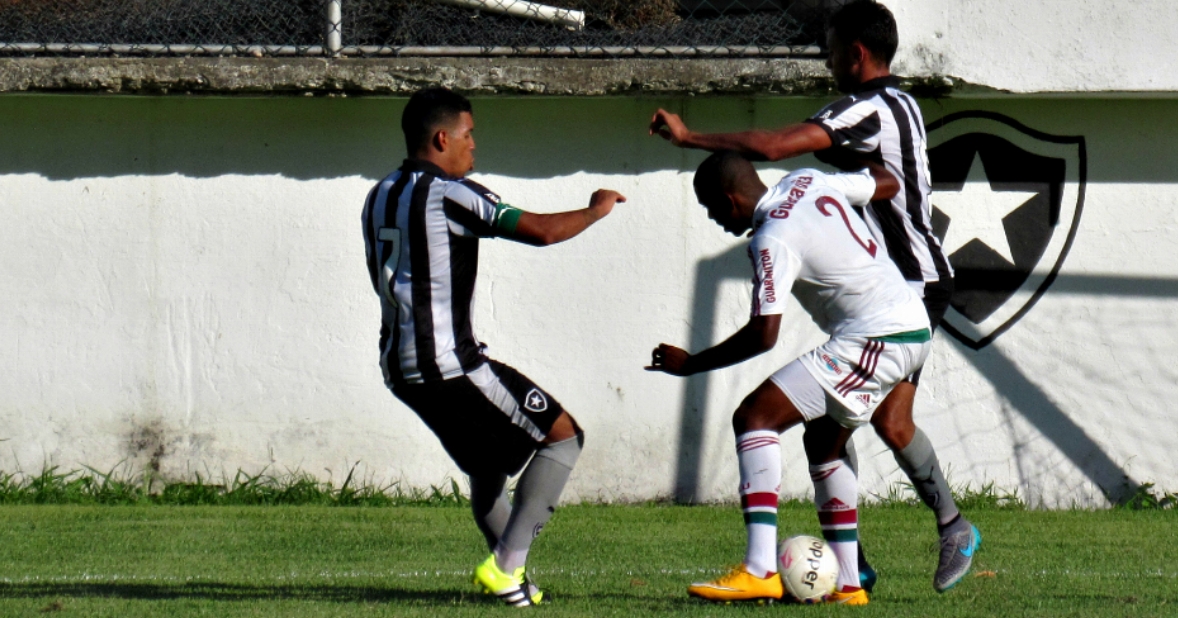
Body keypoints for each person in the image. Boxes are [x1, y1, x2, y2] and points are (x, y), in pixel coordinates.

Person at [648, 0, 979, 593]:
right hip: (899, 286)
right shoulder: (899, 105)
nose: (826, 62)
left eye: (830, 51)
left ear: (856, 53)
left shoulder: (864, 109)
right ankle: (852, 573)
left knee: (884, 421)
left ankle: (948, 527)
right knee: (827, 434)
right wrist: (841, 192)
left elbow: (775, 146)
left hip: (911, 282)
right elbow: (885, 180)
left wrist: (690, 135)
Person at [648, 152, 962, 606]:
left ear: (730, 199)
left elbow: (763, 335)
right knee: (823, 444)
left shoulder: (771, 238)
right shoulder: (809, 180)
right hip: (909, 324)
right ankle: (849, 586)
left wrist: (692, 364)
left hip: (877, 336)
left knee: (754, 418)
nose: (714, 219)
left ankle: (759, 569)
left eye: (711, 208)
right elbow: (886, 182)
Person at [362, 87, 627, 607]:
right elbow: (542, 232)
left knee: (487, 469)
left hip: (399, 365)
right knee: (563, 437)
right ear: (442, 139)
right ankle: (506, 568)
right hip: (449, 364)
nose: (474, 145)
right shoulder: (449, 194)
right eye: (469, 134)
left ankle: (513, 589)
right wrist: (595, 210)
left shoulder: (380, 193)